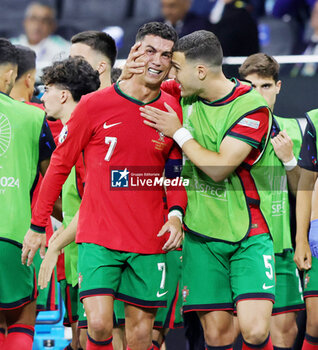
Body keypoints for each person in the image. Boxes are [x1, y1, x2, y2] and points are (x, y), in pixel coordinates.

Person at [23, 22, 187, 350]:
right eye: (150, 50)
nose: (157, 60)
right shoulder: (95, 106)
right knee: (97, 326)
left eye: (165, 54)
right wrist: (37, 225)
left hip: (149, 237)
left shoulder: (171, 107)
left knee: (141, 336)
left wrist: (176, 214)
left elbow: (173, 173)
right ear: (135, 52)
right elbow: (58, 165)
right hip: (98, 236)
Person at [140, 30, 276, 349]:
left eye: (176, 67)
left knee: (255, 330)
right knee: (217, 335)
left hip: (247, 232)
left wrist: (179, 132)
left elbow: (218, 168)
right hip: (201, 236)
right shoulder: (184, 93)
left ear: (200, 71)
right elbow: (141, 88)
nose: (172, 75)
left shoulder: (251, 106)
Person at [239, 53, 305, 349]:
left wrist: (290, 160)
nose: (258, 93)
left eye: (265, 86)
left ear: (278, 86)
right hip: (234, 246)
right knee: (230, 332)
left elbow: (303, 193)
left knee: (284, 333)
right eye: (251, 86)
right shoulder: (227, 130)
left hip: (278, 246)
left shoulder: (294, 131)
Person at [0, 38, 55, 350]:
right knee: (20, 317)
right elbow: (54, 178)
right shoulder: (34, 118)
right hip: (14, 235)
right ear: (10, 75)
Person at [294, 87, 318, 348]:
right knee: (315, 323)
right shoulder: (315, 121)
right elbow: (306, 183)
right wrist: (301, 239)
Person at [11, 1, 70, 81]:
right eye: (33, 19)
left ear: (53, 26)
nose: (37, 26)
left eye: (44, 20)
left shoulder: (64, 48)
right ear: (25, 22)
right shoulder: (11, 46)